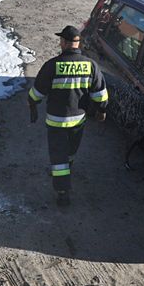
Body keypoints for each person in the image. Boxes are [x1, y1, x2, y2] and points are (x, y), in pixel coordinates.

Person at [28, 26, 108, 206]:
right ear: (78, 43)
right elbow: (100, 95)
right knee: (71, 151)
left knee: (58, 158)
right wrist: (101, 111)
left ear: (64, 43)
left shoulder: (52, 66)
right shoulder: (90, 65)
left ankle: (63, 192)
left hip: (56, 122)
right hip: (78, 121)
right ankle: (67, 168)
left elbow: (37, 93)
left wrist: (31, 102)